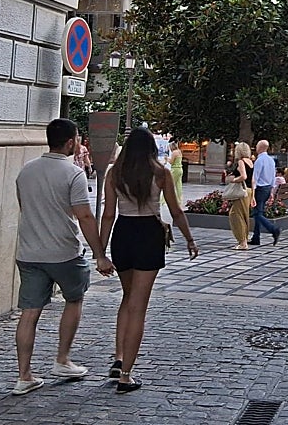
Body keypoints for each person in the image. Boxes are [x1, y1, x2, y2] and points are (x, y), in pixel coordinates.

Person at [12, 119, 114, 396]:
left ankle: (24, 376)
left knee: (29, 313)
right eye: (78, 138)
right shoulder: (73, 173)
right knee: (74, 299)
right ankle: (62, 360)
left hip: (30, 252)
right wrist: (99, 255)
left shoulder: (26, 171)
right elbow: (83, 215)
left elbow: (25, 208)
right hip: (64, 252)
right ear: (71, 142)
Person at [99, 128, 199, 392]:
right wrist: (189, 238)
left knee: (127, 297)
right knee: (139, 306)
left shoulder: (115, 173)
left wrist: (100, 251)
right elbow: (176, 210)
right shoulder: (160, 173)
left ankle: (119, 358)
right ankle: (126, 375)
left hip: (123, 232)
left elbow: (108, 214)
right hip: (149, 234)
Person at [250, 140, 282, 247]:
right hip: (267, 188)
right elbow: (273, 177)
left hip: (260, 189)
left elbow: (255, 178)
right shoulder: (271, 160)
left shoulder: (259, 160)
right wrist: (272, 191)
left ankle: (273, 229)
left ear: (260, 148)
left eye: (257, 146)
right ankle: (256, 237)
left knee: (257, 214)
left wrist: (252, 195)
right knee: (259, 213)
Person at [227, 141, 254, 250]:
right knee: (244, 215)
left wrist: (233, 180)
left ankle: (242, 242)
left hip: (242, 191)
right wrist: (253, 196)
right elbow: (253, 180)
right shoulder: (251, 162)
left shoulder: (241, 162)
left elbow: (244, 176)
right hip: (249, 190)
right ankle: (244, 239)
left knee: (235, 215)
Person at [165, 137, 184, 213]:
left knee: (169, 184)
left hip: (175, 169)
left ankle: (164, 199)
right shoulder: (179, 151)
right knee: (178, 185)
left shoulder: (174, 153)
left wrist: (166, 159)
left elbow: (171, 162)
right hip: (180, 169)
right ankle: (179, 200)